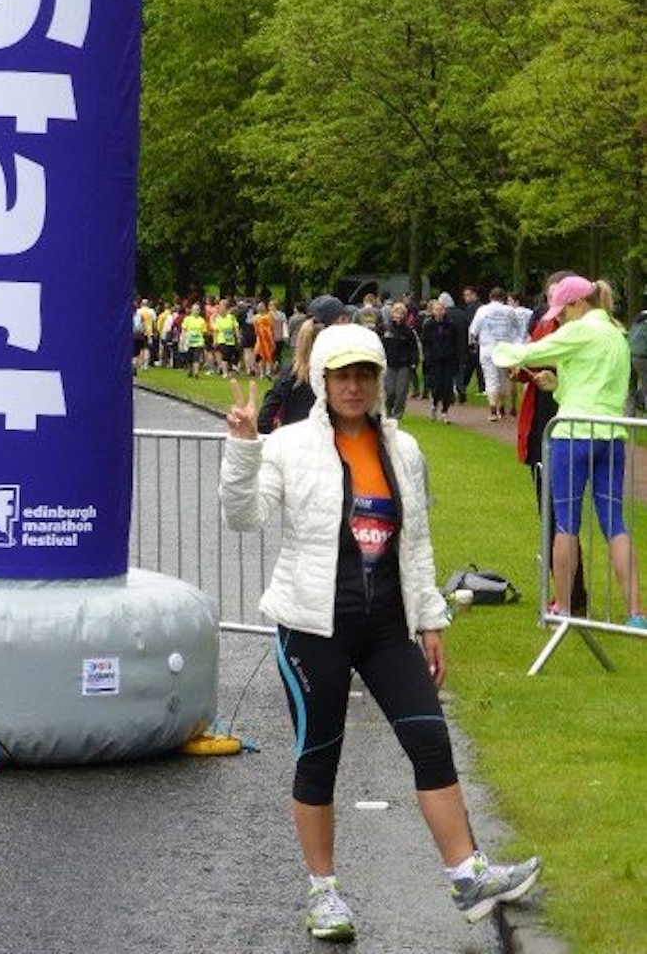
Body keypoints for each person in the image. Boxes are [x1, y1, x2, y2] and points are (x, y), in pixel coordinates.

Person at [220, 323, 541, 942]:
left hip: (389, 627)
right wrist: (242, 447)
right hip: (314, 629)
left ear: (376, 381)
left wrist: (430, 621)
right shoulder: (288, 445)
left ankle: (467, 875)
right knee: (319, 759)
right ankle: (324, 894)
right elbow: (244, 518)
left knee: (430, 742)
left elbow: (415, 543)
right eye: (341, 375)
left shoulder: (403, 450)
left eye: (364, 374)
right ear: (322, 381)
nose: (354, 386)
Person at [493, 275, 646, 626]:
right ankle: (637, 613)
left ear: (578, 304)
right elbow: (596, 385)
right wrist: (558, 384)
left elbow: (529, 352)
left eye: (562, 312)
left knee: (566, 524)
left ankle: (562, 607)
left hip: (574, 434)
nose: (559, 319)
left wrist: (499, 353)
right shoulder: (617, 335)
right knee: (615, 523)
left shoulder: (582, 331)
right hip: (612, 434)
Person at [511, 272, 586, 614]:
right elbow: (528, 358)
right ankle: (568, 596)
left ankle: (568, 599)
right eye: (552, 298)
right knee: (552, 513)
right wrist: (522, 368)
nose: (556, 307)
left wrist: (532, 362)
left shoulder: (577, 334)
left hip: (566, 428)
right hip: (542, 424)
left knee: (561, 516)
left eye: (563, 300)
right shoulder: (546, 324)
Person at [257, 295, 349, 433]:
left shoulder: (290, 371)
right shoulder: (343, 372)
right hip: (331, 449)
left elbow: (264, 420)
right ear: (341, 321)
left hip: (296, 448)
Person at [468, 288, 516, 421]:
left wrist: (472, 344)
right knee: (503, 379)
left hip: (488, 348)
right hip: (505, 348)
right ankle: (502, 407)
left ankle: (493, 410)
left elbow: (473, 330)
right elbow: (516, 330)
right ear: (504, 298)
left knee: (490, 379)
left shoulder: (483, 310)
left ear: (490, 297)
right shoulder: (510, 311)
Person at [421, 298, 458, 423]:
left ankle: (445, 411)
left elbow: (456, 342)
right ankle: (435, 404)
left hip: (448, 358)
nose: (439, 312)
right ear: (432, 311)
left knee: (447, 386)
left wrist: (456, 357)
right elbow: (425, 343)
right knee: (436, 386)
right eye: (436, 309)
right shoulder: (428, 325)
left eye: (441, 309)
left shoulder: (451, 324)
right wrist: (427, 357)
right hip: (434, 359)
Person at [381, 300, 418, 419]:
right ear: (392, 313)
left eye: (401, 313)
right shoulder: (385, 328)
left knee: (401, 392)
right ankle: (388, 410)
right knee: (389, 391)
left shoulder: (408, 331)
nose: (398, 315)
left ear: (404, 315)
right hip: (389, 364)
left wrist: (413, 362)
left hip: (404, 364)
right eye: (396, 313)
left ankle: (397, 414)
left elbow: (414, 348)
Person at [180, 302, 207, 378]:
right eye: (195, 310)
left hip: (198, 342)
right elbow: (184, 330)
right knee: (190, 358)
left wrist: (203, 342)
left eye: (198, 310)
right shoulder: (187, 319)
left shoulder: (202, 320)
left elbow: (204, 332)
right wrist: (182, 340)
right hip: (189, 342)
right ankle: (190, 370)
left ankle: (196, 373)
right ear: (191, 310)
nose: (196, 311)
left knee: (196, 358)